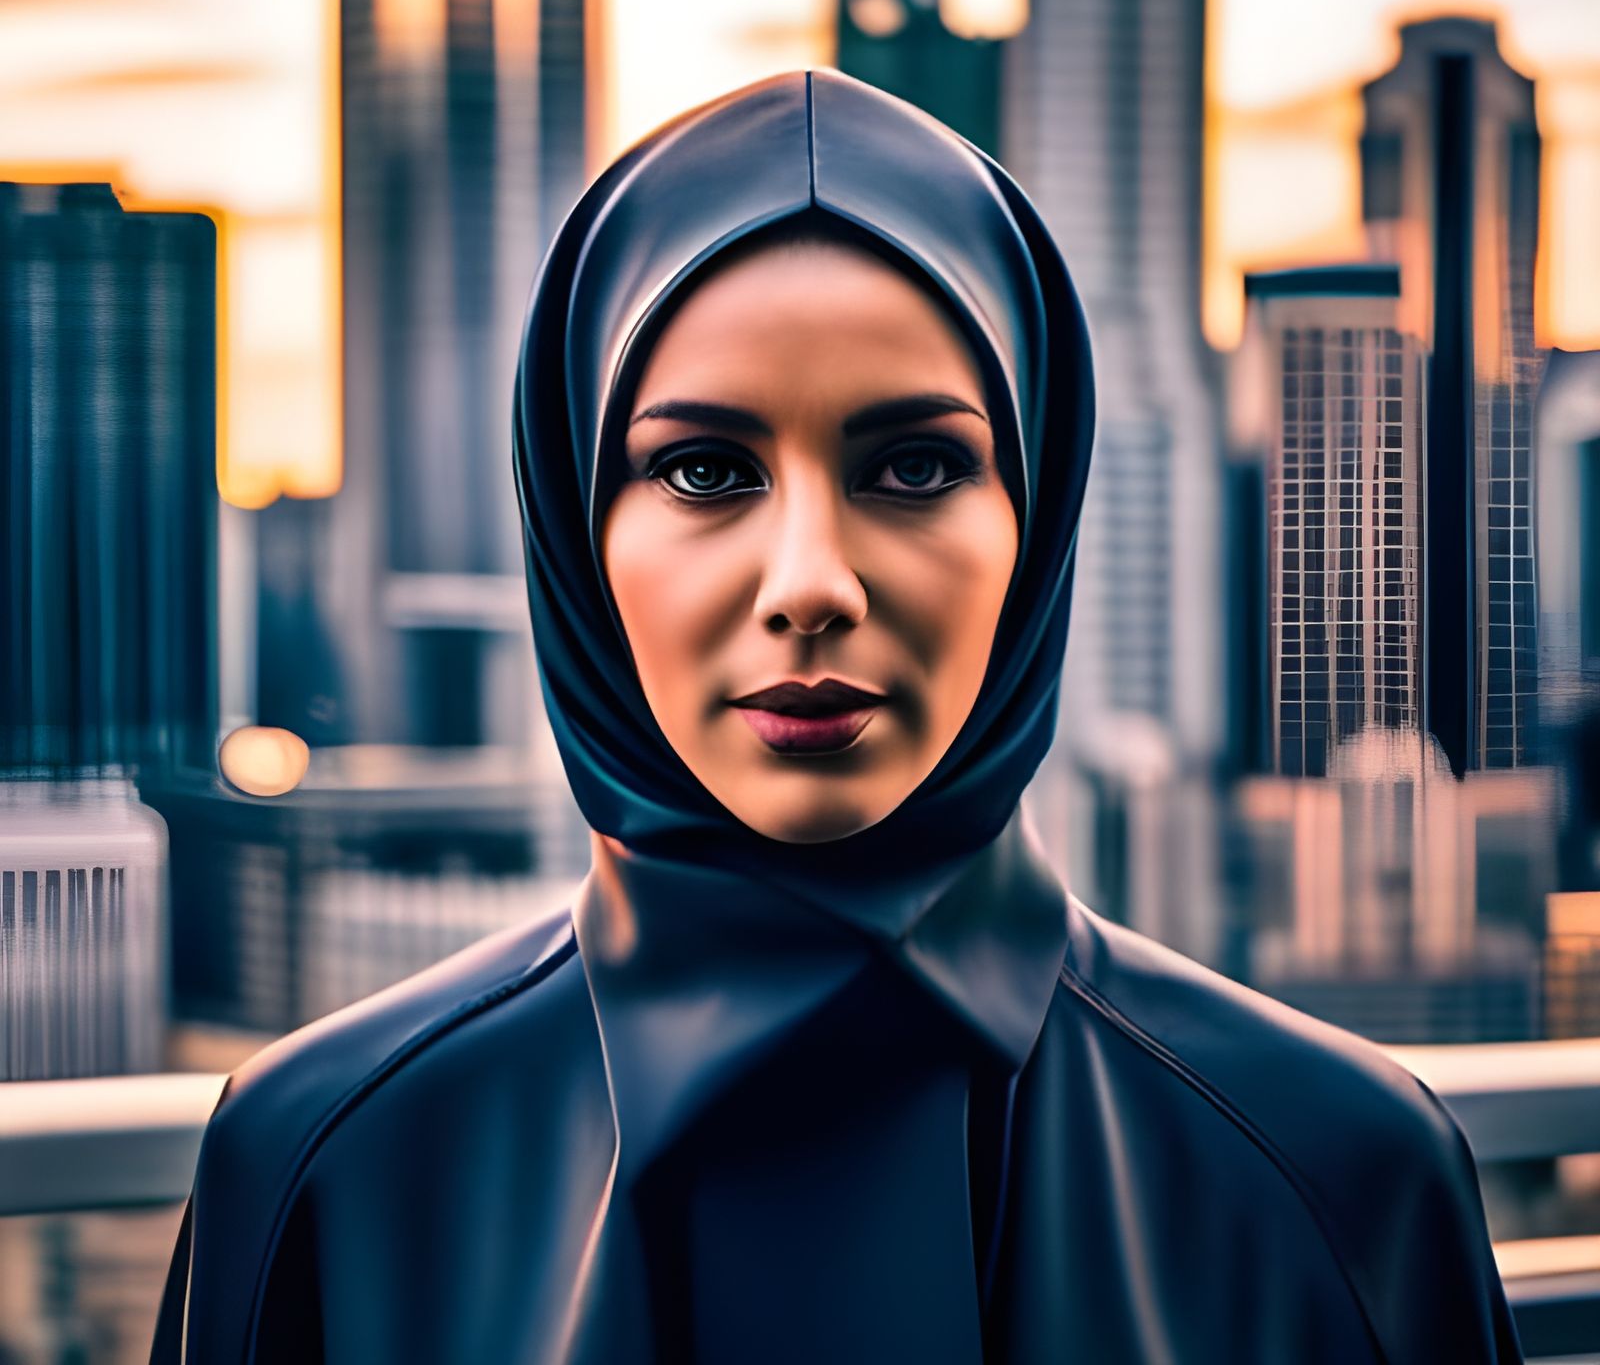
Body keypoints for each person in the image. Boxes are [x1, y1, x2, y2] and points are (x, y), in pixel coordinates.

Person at [151, 70, 1522, 1363]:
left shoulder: (1349, 1178)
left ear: (1038, 517)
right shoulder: (320, 1166)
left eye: (915, 466)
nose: (811, 584)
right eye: (704, 470)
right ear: (574, 527)